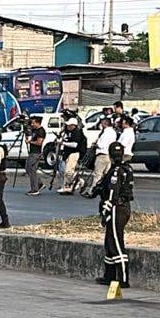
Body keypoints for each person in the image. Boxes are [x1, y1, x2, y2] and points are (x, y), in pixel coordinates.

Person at [90, 141, 135, 287]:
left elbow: (112, 194)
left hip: (117, 208)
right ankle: (109, 276)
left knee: (116, 242)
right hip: (122, 207)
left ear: (110, 155)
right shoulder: (126, 168)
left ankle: (123, 279)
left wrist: (105, 212)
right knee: (109, 242)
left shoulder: (116, 171)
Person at [56, 117, 88, 195]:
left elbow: (75, 144)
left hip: (74, 153)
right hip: (68, 153)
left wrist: (63, 143)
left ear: (74, 125)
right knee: (65, 170)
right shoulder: (68, 132)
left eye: (69, 125)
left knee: (69, 171)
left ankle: (69, 186)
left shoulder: (76, 133)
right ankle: (73, 183)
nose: (68, 126)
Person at [23, 115, 47, 195]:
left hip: (36, 152)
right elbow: (28, 130)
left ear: (38, 123)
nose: (32, 124)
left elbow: (39, 143)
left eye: (33, 123)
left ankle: (35, 189)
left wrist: (30, 142)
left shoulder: (41, 131)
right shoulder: (34, 130)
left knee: (32, 169)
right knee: (28, 168)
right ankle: (39, 183)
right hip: (32, 152)